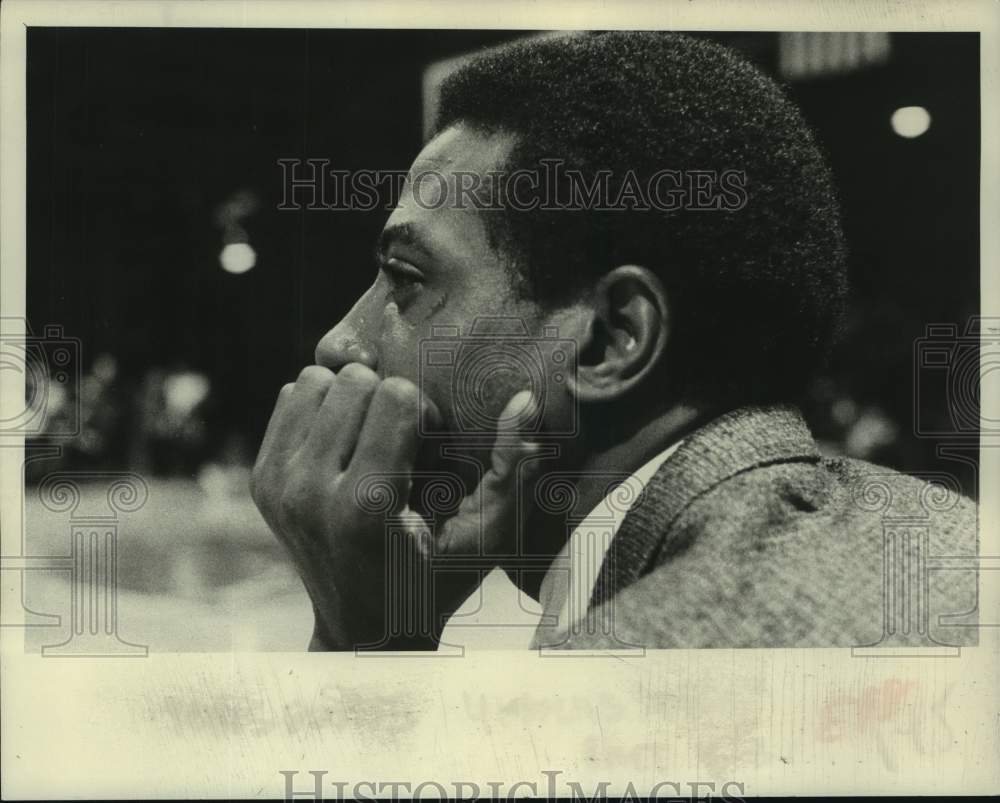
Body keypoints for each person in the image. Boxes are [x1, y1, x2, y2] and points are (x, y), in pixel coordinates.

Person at [250, 31, 976, 650]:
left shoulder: (646, 666)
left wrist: (363, 645)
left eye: (405, 279)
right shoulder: (913, 530)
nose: (340, 343)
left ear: (612, 340)